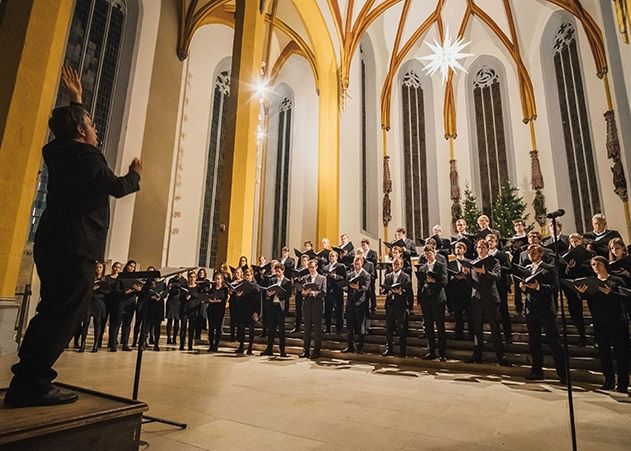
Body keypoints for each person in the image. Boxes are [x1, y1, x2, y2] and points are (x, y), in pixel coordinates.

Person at [5, 66, 142, 407]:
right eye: (92, 126)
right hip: (77, 245)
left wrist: (76, 99)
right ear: (81, 130)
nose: (96, 130)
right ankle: (33, 384)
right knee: (64, 316)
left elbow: (74, 137)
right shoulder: (88, 157)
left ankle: (27, 377)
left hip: (52, 240)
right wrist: (135, 174)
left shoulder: (60, 152)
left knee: (51, 310)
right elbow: (118, 187)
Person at [576, 256, 629, 392]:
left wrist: (611, 293)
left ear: (605, 265)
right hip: (600, 321)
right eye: (593, 264)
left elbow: (626, 297)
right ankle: (609, 380)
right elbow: (587, 298)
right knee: (604, 352)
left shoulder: (616, 280)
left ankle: (623, 383)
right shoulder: (592, 282)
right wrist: (581, 294)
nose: (595, 266)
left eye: (598, 264)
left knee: (621, 353)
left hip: (617, 320)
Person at [520, 244, 566, 382]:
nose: (531, 255)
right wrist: (523, 287)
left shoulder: (549, 268)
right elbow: (527, 288)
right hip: (531, 309)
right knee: (534, 342)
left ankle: (563, 374)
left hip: (546, 309)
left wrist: (538, 286)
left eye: (534, 252)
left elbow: (555, 287)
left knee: (555, 342)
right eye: (529, 252)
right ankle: (536, 371)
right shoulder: (527, 269)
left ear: (540, 253)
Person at [466, 240, 510, 366]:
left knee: (495, 328)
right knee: (477, 329)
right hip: (477, 298)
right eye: (478, 247)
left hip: (491, 298)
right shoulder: (472, 263)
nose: (480, 249)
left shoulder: (494, 261)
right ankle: (477, 355)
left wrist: (485, 272)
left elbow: (497, 276)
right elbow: (472, 283)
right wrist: (466, 275)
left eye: (483, 247)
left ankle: (501, 356)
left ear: (487, 248)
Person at [416, 247, 447, 360]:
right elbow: (420, 285)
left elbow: (444, 281)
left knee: (440, 327)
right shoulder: (423, 267)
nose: (428, 255)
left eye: (430, 253)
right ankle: (431, 351)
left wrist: (434, 281)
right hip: (426, 300)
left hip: (438, 299)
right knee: (428, 327)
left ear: (434, 253)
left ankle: (442, 353)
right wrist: (419, 300)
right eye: (426, 254)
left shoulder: (441, 265)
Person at [260, 264, 292, 357]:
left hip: (280, 307)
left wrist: (278, 293)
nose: (277, 273)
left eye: (278, 271)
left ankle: (282, 350)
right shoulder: (272, 280)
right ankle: (269, 349)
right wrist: (269, 294)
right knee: (271, 330)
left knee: (281, 330)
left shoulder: (287, 282)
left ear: (283, 271)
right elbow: (268, 291)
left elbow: (288, 294)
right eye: (276, 271)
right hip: (272, 306)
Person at [109, 260, 141, 352]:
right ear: (127, 266)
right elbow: (116, 290)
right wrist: (126, 292)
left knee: (127, 324)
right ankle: (113, 344)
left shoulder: (136, 278)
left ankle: (125, 344)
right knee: (117, 324)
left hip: (130, 304)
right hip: (121, 302)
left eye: (133, 267)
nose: (132, 268)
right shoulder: (121, 276)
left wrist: (138, 290)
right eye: (130, 266)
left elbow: (138, 292)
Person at [486, 234, 513, 343]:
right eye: (488, 241)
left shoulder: (502, 254)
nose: (490, 243)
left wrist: (497, 267)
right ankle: (495, 334)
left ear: (496, 242)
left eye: (492, 241)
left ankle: (508, 334)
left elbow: (509, 268)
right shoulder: (485, 254)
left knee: (504, 311)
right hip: (489, 286)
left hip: (500, 285)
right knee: (492, 313)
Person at [382, 257, 411, 357]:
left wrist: (400, 292)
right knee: (389, 328)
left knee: (402, 329)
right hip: (390, 304)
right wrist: (383, 290)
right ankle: (389, 348)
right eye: (394, 264)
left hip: (401, 305)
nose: (395, 266)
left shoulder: (405, 276)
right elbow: (386, 288)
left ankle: (402, 351)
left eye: (397, 264)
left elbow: (408, 291)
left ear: (401, 265)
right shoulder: (388, 275)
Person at [78, 262, 107, 353]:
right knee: (85, 322)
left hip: (98, 302)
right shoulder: (90, 278)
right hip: (89, 302)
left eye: (100, 267)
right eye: (97, 267)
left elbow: (108, 291)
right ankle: (82, 344)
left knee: (97, 323)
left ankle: (95, 345)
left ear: (103, 268)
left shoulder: (105, 279)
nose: (98, 269)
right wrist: (92, 289)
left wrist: (99, 289)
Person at [299, 259, 327, 359]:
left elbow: (323, 292)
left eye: (313, 267)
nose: (311, 269)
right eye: (309, 268)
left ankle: (316, 351)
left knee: (317, 330)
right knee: (306, 330)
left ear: (316, 267)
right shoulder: (305, 278)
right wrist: (304, 293)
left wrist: (314, 293)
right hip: (306, 306)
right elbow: (301, 291)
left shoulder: (322, 278)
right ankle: (305, 350)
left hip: (317, 306)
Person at [343, 257, 370, 354]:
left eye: (358, 264)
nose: (357, 266)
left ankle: (360, 347)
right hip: (350, 303)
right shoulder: (350, 274)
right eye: (355, 264)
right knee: (349, 326)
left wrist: (358, 287)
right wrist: (345, 287)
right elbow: (347, 287)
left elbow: (366, 288)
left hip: (360, 303)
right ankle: (350, 346)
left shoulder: (366, 275)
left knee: (360, 326)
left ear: (362, 263)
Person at [447, 241, 473, 340]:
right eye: (457, 248)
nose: (458, 249)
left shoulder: (469, 262)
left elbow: (473, 277)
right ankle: (459, 334)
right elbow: (448, 278)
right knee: (458, 314)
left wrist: (466, 275)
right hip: (455, 290)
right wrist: (455, 277)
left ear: (464, 250)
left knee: (469, 313)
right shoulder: (451, 263)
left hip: (467, 289)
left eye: (460, 248)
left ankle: (471, 334)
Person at [233, 269, 260, 355]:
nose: (247, 277)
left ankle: (250, 348)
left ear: (252, 276)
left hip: (251, 310)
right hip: (242, 309)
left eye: (248, 275)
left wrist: (256, 312)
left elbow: (258, 301)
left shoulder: (255, 286)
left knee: (251, 329)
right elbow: (238, 300)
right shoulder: (242, 285)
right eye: (245, 275)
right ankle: (241, 346)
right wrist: (237, 296)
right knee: (241, 329)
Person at [323, 250, 347, 334]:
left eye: (333, 256)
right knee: (327, 310)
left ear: (336, 257)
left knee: (338, 309)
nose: (331, 258)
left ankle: (339, 328)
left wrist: (336, 276)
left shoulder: (340, 266)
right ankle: (328, 327)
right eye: (330, 256)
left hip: (337, 290)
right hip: (328, 290)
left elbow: (344, 278)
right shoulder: (325, 267)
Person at [99, 261, 122, 348]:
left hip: (116, 303)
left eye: (119, 267)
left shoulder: (120, 279)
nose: (117, 269)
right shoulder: (106, 277)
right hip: (106, 302)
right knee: (102, 322)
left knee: (113, 323)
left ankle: (112, 342)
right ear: (112, 267)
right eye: (115, 267)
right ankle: (98, 341)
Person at [207, 272, 229, 352]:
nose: (217, 280)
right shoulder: (212, 288)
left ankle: (216, 345)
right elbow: (208, 297)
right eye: (216, 278)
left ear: (222, 280)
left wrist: (219, 300)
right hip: (211, 310)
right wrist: (210, 300)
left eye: (218, 279)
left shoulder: (224, 289)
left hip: (219, 310)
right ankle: (211, 345)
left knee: (218, 328)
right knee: (211, 329)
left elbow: (225, 299)